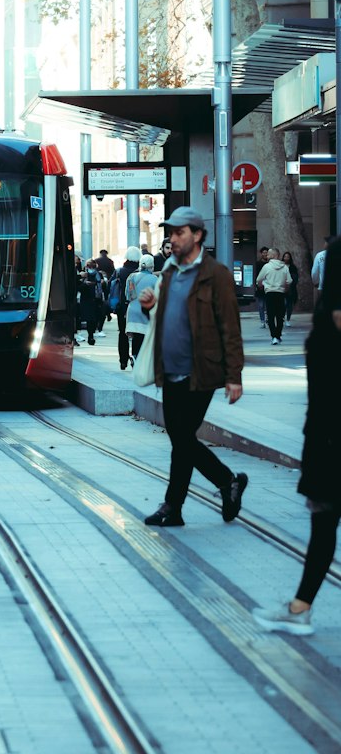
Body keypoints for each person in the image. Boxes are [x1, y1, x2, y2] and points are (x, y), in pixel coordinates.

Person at [139, 206, 247, 528]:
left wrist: (234, 376)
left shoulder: (217, 275)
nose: (172, 238)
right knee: (181, 439)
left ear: (197, 235)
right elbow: (163, 319)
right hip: (169, 371)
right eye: (170, 232)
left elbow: (230, 328)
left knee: (182, 438)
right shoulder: (170, 272)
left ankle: (174, 506)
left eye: (179, 232)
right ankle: (228, 482)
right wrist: (149, 308)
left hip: (200, 372)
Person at [255, 237, 341, 635]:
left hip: (330, 437)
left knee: (323, 523)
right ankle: (299, 607)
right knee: (322, 524)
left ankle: (299, 608)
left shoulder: (330, 325)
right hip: (325, 433)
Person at [125, 253, 157, 362]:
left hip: (132, 310)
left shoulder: (131, 277)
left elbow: (128, 295)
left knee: (136, 335)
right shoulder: (154, 279)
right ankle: (141, 359)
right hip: (145, 311)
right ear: (151, 266)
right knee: (145, 336)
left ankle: (134, 355)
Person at [111, 246, 139, 370]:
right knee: (137, 334)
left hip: (121, 307)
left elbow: (110, 286)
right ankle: (135, 357)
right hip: (136, 307)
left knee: (122, 333)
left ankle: (123, 360)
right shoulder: (139, 272)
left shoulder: (119, 271)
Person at [257, 249, 290, 345]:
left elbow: (259, 279)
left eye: (268, 254)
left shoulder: (266, 267)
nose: (267, 256)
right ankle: (278, 335)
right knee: (280, 316)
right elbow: (289, 281)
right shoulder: (284, 267)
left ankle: (273, 337)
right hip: (280, 293)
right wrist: (285, 288)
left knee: (270, 316)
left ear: (272, 255)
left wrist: (260, 286)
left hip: (270, 293)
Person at [77, 259, 99, 344]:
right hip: (88, 298)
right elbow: (78, 286)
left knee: (91, 319)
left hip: (91, 298)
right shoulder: (83, 274)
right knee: (90, 318)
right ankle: (90, 336)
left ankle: (90, 335)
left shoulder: (96, 274)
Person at [281, 251, 299, 326]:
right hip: (281, 288)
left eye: (287, 257)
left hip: (291, 289)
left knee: (289, 305)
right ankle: (282, 318)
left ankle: (288, 319)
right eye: (285, 256)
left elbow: (295, 278)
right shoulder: (280, 266)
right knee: (283, 304)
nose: (286, 258)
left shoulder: (293, 267)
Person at [255, 247, 269, 329]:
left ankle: (268, 319)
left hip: (269, 286)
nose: (265, 254)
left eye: (266, 252)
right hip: (260, 287)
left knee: (268, 305)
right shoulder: (258, 263)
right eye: (263, 252)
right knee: (261, 305)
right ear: (261, 254)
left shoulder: (270, 264)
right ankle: (262, 321)